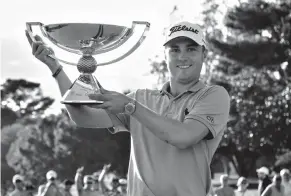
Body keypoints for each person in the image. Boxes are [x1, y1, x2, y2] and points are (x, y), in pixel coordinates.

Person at [26, 20, 230, 196]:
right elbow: (83, 117)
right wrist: (56, 68)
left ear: (204, 54)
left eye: (191, 49)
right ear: (165, 55)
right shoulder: (141, 98)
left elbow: (183, 137)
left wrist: (131, 107)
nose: (182, 57)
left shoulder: (213, 95)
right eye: (175, 50)